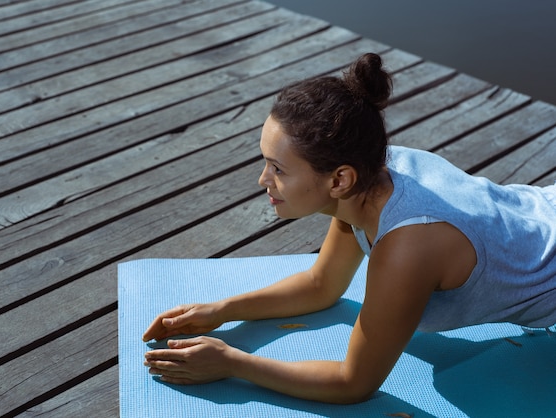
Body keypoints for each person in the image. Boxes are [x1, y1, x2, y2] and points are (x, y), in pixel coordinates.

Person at [142, 53, 556, 404]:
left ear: (339, 180)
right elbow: (322, 284)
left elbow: (353, 382)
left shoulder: (409, 245)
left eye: (278, 169)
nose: (262, 180)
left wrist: (233, 363)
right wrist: (222, 311)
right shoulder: (368, 172)